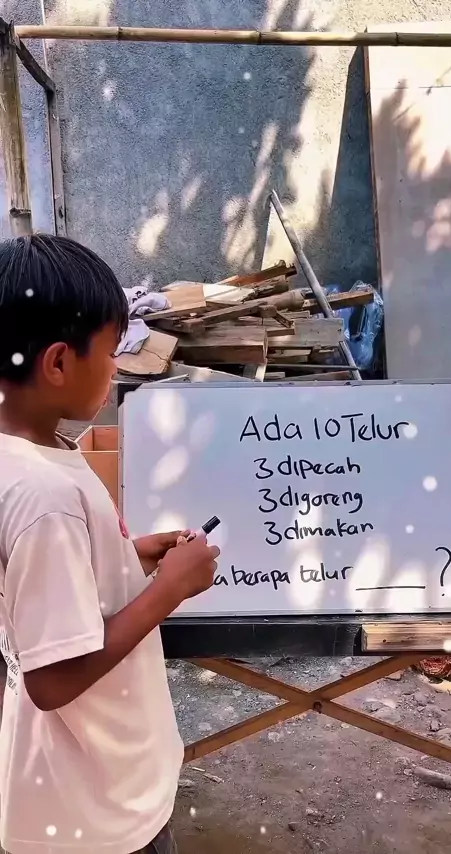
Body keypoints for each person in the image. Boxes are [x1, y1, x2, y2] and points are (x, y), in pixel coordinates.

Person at [0, 234, 220, 854]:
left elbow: (38, 586)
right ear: (58, 364)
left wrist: (129, 556)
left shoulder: (32, 456)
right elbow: (52, 679)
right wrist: (169, 590)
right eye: (111, 352)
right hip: (93, 814)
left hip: (81, 789)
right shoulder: (43, 495)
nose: (117, 369)